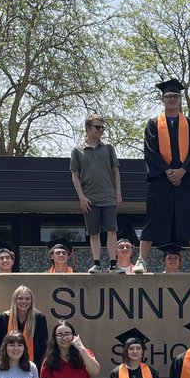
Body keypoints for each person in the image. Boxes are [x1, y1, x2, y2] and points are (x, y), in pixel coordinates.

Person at [138, 78, 190, 274]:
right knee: (153, 219)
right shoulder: (154, 124)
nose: (172, 99)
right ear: (162, 99)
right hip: (161, 178)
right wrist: (167, 170)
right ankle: (141, 261)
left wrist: (182, 170)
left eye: (176, 96)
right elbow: (150, 151)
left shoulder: (189, 124)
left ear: (180, 100)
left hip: (184, 178)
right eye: (169, 96)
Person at [71, 112, 123, 273]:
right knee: (94, 232)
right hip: (89, 198)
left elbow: (116, 171)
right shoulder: (77, 150)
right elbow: (75, 176)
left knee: (111, 230)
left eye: (102, 127)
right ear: (88, 128)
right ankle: (97, 263)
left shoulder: (108, 148)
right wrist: (81, 197)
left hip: (108, 196)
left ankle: (113, 263)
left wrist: (118, 193)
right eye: (97, 127)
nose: (100, 130)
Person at [0, 285, 49, 367]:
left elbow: (43, 346)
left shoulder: (39, 318)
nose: (24, 301)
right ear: (14, 300)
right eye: (20, 298)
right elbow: (0, 344)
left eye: (27, 299)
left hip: (33, 365)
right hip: (7, 364)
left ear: (32, 301)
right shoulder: (4, 318)